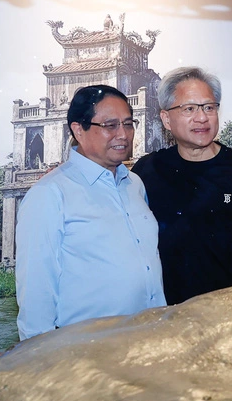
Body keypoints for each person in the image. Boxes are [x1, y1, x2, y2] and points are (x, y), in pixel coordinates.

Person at [15, 85, 165, 339]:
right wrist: (41, 361)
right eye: (110, 125)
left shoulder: (134, 185)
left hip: (149, 339)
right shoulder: (50, 193)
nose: (123, 135)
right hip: (87, 351)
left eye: (128, 124)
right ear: (78, 130)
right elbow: (36, 292)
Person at [132, 67, 232, 305]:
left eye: (209, 107)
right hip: (167, 318)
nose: (202, 117)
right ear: (166, 119)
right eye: (189, 108)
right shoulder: (147, 171)